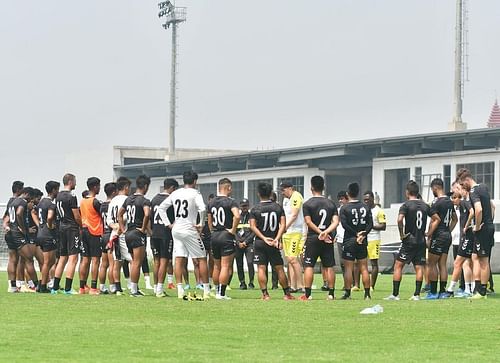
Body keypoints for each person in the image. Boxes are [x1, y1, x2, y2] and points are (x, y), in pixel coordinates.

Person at [158, 170, 210, 299]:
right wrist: (201, 224)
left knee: (179, 258)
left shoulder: (176, 193)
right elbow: (202, 208)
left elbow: (161, 208)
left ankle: (180, 290)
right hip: (189, 229)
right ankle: (207, 290)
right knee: (202, 258)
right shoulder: (195, 193)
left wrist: (168, 224)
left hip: (177, 229)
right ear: (195, 181)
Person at [384, 181, 429, 301]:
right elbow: (436, 218)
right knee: (419, 267)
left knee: (398, 265)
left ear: (407, 192)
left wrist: (401, 234)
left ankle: (395, 294)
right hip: (421, 240)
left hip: (409, 240)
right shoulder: (425, 205)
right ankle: (416, 295)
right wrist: (428, 232)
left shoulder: (406, 205)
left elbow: (399, 220)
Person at [249, 182, 294, 301]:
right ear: (270, 193)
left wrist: (263, 238)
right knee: (279, 268)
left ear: (258, 194)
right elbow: (283, 225)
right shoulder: (278, 207)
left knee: (261, 268)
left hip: (260, 242)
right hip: (274, 242)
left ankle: (265, 294)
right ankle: (287, 294)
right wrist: (276, 239)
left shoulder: (255, 209)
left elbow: (253, 226)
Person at [457, 168, 495, 299]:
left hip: (482, 229)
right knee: (474, 257)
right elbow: (492, 207)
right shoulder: (483, 187)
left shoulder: (473, 191)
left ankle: (482, 291)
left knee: (483, 260)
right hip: (488, 226)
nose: (463, 187)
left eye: (462, 184)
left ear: (467, 180)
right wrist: (490, 221)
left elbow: (478, 210)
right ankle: (476, 288)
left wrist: (478, 226)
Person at [301, 175, 339, 300]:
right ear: (323, 187)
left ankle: (308, 294)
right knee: (329, 266)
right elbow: (335, 222)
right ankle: (331, 294)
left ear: (311, 187)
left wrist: (319, 232)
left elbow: (308, 221)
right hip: (327, 238)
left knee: (309, 265)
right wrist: (326, 232)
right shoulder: (331, 203)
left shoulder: (307, 204)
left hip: (313, 237)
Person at [118, 174, 151, 297]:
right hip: (137, 233)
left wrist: (123, 229)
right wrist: (143, 228)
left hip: (128, 233)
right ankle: (133, 290)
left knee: (133, 262)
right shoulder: (144, 200)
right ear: (146, 186)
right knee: (137, 262)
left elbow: (119, 214)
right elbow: (147, 214)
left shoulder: (129, 199)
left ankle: (135, 288)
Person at [207, 178, 240, 300]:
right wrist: (233, 229)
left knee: (216, 266)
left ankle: (216, 291)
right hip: (226, 235)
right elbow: (237, 216)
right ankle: (221, 293)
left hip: (215, 234)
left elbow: (209, 220)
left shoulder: (211, 202)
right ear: (229, 188)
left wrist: (212, 230)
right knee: (225, 266)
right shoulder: (231, 202)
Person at [339, 182, 373, 300]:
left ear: (348, 194)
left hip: (350, 240)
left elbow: (344, 225)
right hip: (362, 241)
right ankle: (367, 294)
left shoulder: (344, 208)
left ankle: (348, 293)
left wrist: (355, 234)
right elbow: (370, 224)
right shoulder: (365, 207)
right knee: (364, 267)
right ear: (358, 192)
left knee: (348, 267)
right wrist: (363, 234)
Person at [425, 178, 457, 300]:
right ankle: (442, 292)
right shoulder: (449, 202)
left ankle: (433, 292)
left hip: (438, 236)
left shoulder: (436, 203)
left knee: (431, 263)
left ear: (435, 188)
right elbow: (455, 219)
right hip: (447, 236)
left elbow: (435, 220)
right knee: (442, 264)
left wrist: (429, 234)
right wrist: (448, 230)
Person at [52, 174, 82, 295]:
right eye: (75, 181)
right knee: (73, 258)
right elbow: (76, 215)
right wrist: (81, 225)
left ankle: (55, 288)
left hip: (61, 228)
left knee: (62, 258)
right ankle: (68, 288)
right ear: (70, 181)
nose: (75, 184)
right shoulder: (71, 196)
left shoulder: (58, 195)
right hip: (71, 228)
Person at [4, 187, 39, 292]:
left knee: (12, 259)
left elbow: (8, 218)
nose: (30, 200)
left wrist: (8, 226)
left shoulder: (12, 202)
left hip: (10, 234)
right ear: (27, 194)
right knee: (29, 259)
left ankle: (12, 286)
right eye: (30, 198)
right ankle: (37, 285)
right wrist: (24, 229)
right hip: (17, 235)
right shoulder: (22, 202)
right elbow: (19, 213)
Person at [150, 178, 178, 297]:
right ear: (172, 188)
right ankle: (160, 290)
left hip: (154, 232)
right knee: (164, 261)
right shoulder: (170, 199)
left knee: (156, 261)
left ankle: (156, 287)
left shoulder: (154, 199)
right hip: (165, 233)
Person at [445, 183, 474, 297]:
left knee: (458, 262)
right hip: (465, 237)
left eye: (454, 197)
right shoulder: (462, 204)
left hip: (467, 236)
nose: (452, 200)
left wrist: (467, 226)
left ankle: (451, 289)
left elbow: (472, 212)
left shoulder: (464, 202)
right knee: (466, 263)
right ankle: (468, 289)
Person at [106, 176, 133, 295]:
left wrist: (115, 227)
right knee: (133, 260)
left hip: (114, 234)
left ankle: (117, 288)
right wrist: (122, 227)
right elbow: (125, 217)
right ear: (126, 187)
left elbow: (109, 220)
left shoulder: (113, 201)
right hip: (124, 233)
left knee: (117, 261)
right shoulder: (127, 200)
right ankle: (133, 287)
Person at [32, 181, 60, 293]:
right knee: (48, 262)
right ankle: (43, 286)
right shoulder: (51, 204)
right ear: (53, 190)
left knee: (50, 261)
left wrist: (39, 225)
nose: (58, 191)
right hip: (48, 235)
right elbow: (49, 217)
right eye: (57, 189)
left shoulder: (41, 201)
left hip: (40, 234)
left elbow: (33, 212)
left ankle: (42, 282)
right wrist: (49, 225)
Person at [79, 177, 103, 295]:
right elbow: (102, 215)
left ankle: (82, 287)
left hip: (84, 230)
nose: (99, 188)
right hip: (94, 231)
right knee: (95, 260)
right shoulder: (95, 201)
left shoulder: (82, 201)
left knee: (84, 260)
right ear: (95, 187)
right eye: (98, 186)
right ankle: (93, 288)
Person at [280, 181, 305, 293]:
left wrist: (285, 227)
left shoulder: (296, 196)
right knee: (289, 260)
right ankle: (293, 285)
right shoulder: (285, 200)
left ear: (290, 188)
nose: (282, 192)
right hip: (287, 233)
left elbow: (294, 214)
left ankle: (301, 285)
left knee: (293, 258)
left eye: (283, 190)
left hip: (295, 231)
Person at [363, 191, 386, 290]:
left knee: (373, 263)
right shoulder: (363, 210)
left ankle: (372, 286)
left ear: (373, 198)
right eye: (364, 199)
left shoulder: (379, 211)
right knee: (360, 263)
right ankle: (357, 285)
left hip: (374, 239)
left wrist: (371, 226)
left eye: (368, 199)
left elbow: (383, 226)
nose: (366, 201)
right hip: (364, 239)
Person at [99, 182, 117, 294]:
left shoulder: (101, 206)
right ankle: (112, 287)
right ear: (114, 192)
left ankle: (101, 286)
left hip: (103, 234)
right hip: (111, 234)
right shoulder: (113, 205)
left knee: (103, 263)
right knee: (112, 264)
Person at [235, 198, 255, 290]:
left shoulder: (252, 216)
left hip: (249, 243)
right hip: (238, 244)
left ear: (249, 206)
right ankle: (242, 283)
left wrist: (246, 242)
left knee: (250, 263)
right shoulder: (237, 216)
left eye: (246, 206)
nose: (244, 208)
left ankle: (251, 282)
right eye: (243, 206)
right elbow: (233, 231)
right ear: (240, 207)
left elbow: (254, 231)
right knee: (239, 264)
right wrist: (238, 242)